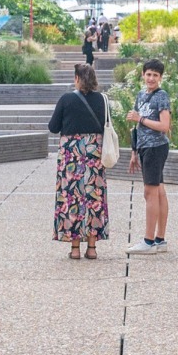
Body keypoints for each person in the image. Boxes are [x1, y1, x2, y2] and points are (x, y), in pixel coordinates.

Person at [48, 60, 111, 260]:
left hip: (71, 155)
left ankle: (75, 248)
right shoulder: (103, 99)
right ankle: (91, 248)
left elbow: (53, 126)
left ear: (77, 79)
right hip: (95, 152)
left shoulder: (66, 99)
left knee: (72, 197)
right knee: (94, 197)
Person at [130, 59, 172, 251]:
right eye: (148, 74)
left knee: (150, 192)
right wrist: (134, 151)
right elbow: (136, 126)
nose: (151, 78)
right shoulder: (141, 95)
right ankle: (160, 240)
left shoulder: (161, 96)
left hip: (156, 147)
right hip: (145, 147)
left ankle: (148, 241)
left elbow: (164, 126)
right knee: (159, 191)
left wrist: (141, 119)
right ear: (143, 75)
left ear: (160, 78)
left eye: (155, 75)